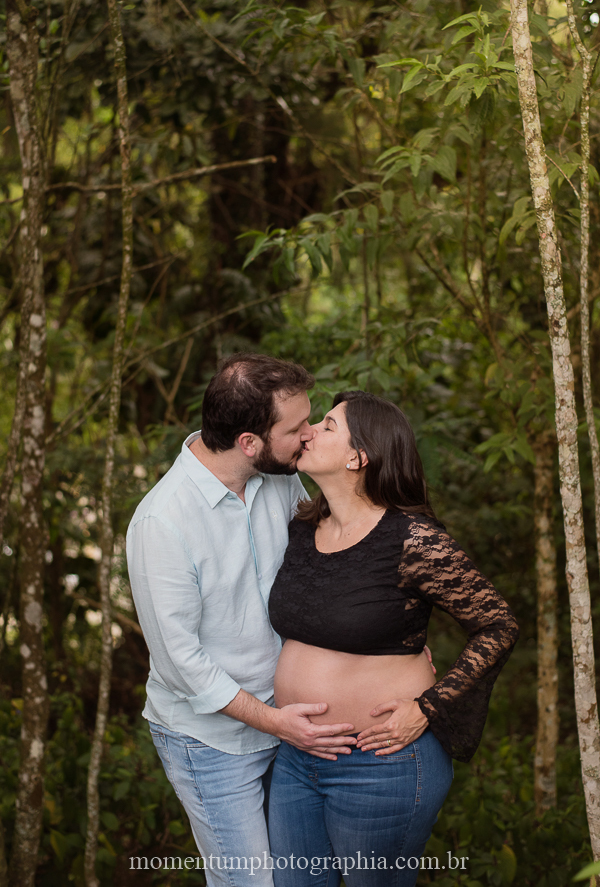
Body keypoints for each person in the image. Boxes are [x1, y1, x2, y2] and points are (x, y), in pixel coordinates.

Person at [126, 354, 362, 887]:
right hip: (211, 741)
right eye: (295, 428)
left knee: (307, 876)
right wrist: (276, 722)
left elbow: (320, 562)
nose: (308, 435)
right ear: (249, 442)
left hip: (290, 718)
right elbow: (180, 662)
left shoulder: (276, 478)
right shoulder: (161, 522)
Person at [267, 390, 519, 887]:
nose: (310, 431)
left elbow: (498, 625)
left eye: (328, 425)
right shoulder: (301, 528)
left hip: (381, 767)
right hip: (296, 759)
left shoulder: (413, 539)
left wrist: (429, 706)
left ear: (359, 457)